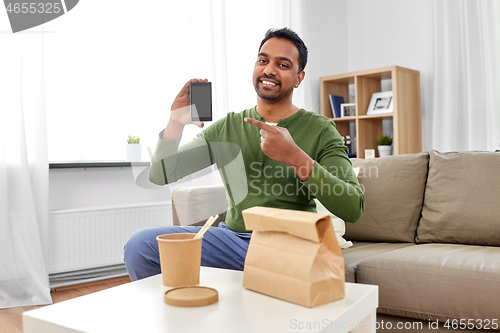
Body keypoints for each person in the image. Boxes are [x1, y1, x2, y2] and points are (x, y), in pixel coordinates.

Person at [124, 28, 364, 281]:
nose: (269, 69)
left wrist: (296, 158)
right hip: (232, 241)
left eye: (282, 64)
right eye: (263, 60)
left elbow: (353, 207)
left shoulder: (322, 130)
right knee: (142, 246)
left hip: (292, 244)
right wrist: (176, 123)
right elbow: (161, 175)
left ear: (299, 77)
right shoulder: (227, 127)